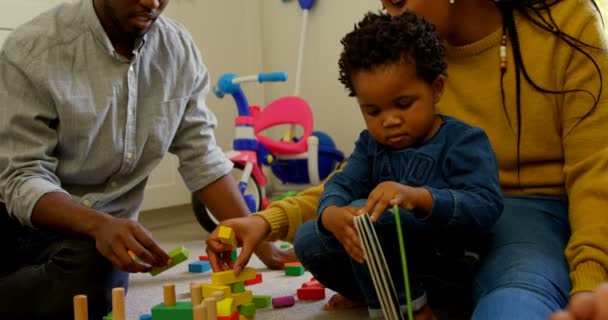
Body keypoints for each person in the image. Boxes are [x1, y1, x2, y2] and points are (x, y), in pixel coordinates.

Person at [206, 0, 608, 319]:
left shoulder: (566, 22)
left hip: (526, 213)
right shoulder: (404, 63)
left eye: (399, 1)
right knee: (317, 237)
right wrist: (268, 219)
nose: (392, 17)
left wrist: (590, 285)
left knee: (515, 301)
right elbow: (355, 179)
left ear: (437, 88)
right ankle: (425, 296)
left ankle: (494, 287)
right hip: (431, 236)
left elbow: (596, 174)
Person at [0, 0, 285, 319]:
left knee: (95, 275)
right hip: (22, 218)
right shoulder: (32, 48)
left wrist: (260, 240)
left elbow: (201, 156)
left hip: (89, 241)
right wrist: (98, 223)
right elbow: (22, 177)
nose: (152, 2)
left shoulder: (177, 49)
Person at [303, 10, 504, 319]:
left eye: (403, 104)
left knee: (372, 217)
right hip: (384, 255)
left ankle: (411, 307)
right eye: (373, 111)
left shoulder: (463, 140)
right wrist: (331, 214)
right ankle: (373, 293)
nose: (390, 121)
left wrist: (420, 198)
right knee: (309, 238)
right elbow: (342, 184)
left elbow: (486, 206)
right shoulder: (370, 145)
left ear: (436, 88)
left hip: (448, 264)